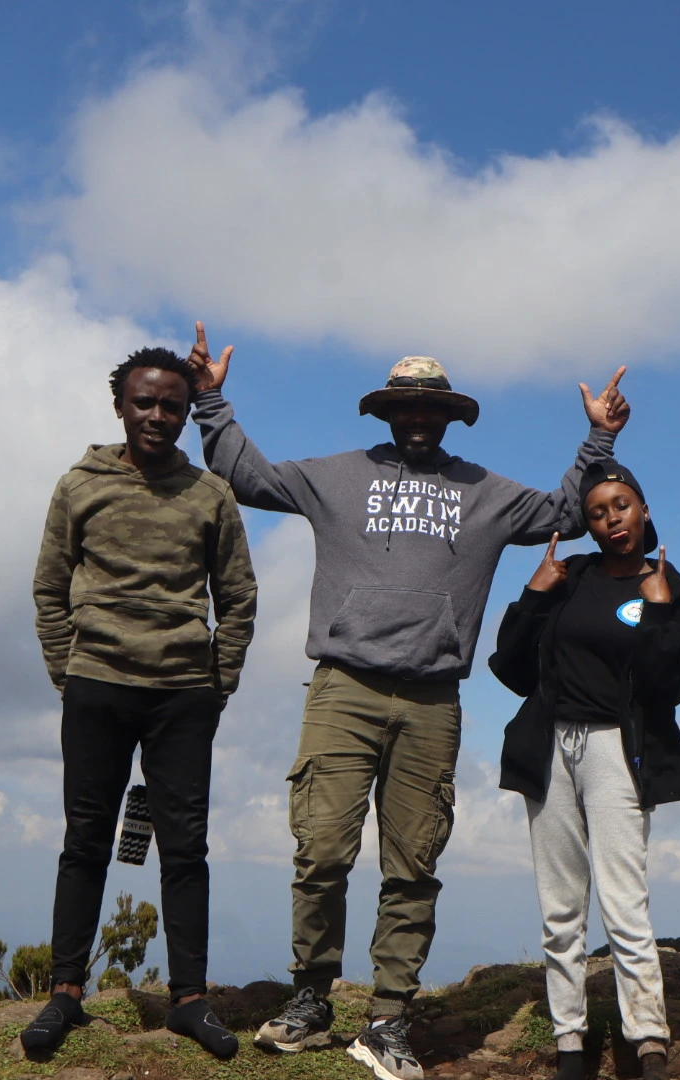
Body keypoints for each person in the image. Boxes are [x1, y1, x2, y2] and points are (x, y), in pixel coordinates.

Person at [185, 324, 630, 1080]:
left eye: (432, 409)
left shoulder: (485, 492)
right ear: (386, 413)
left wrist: (596, 439)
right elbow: (247, 477)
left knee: (413, 861)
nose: (418, 418)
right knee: (320, 848)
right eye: (405, 407)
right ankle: (312, 996)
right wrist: (210, 400)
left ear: (451, 416)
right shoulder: (336, 476)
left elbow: (563, 511)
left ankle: (388, 1017)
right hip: (343, 689)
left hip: (433, 697)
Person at [22, 347, 257, 1060]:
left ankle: (188, 999)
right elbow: (49, 587)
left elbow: (238, 597)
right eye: (145, 403)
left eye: (172, 406)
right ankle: (65, 994)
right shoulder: (79, 485)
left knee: (185, 847)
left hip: (182, 694)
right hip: (97, 685)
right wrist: (72, 675)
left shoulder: (209, 493)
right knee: (84, 839)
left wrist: (218, 683)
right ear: (120, 404)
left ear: (187, 413)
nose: (158, 416)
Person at [489, 462, 680, 1080]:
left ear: (642, 509)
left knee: (624, 902)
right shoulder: (570, 576)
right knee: (560, 907)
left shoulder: (675, 588)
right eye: (598, 512)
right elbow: (509, 670)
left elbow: (672, 689)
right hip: (551, 748)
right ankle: (570, 1043)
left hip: (619, 751)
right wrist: (535, 593)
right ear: (586, 524)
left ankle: (648, 1041)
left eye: (622, 506)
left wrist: (659, 613)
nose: (612, 520)